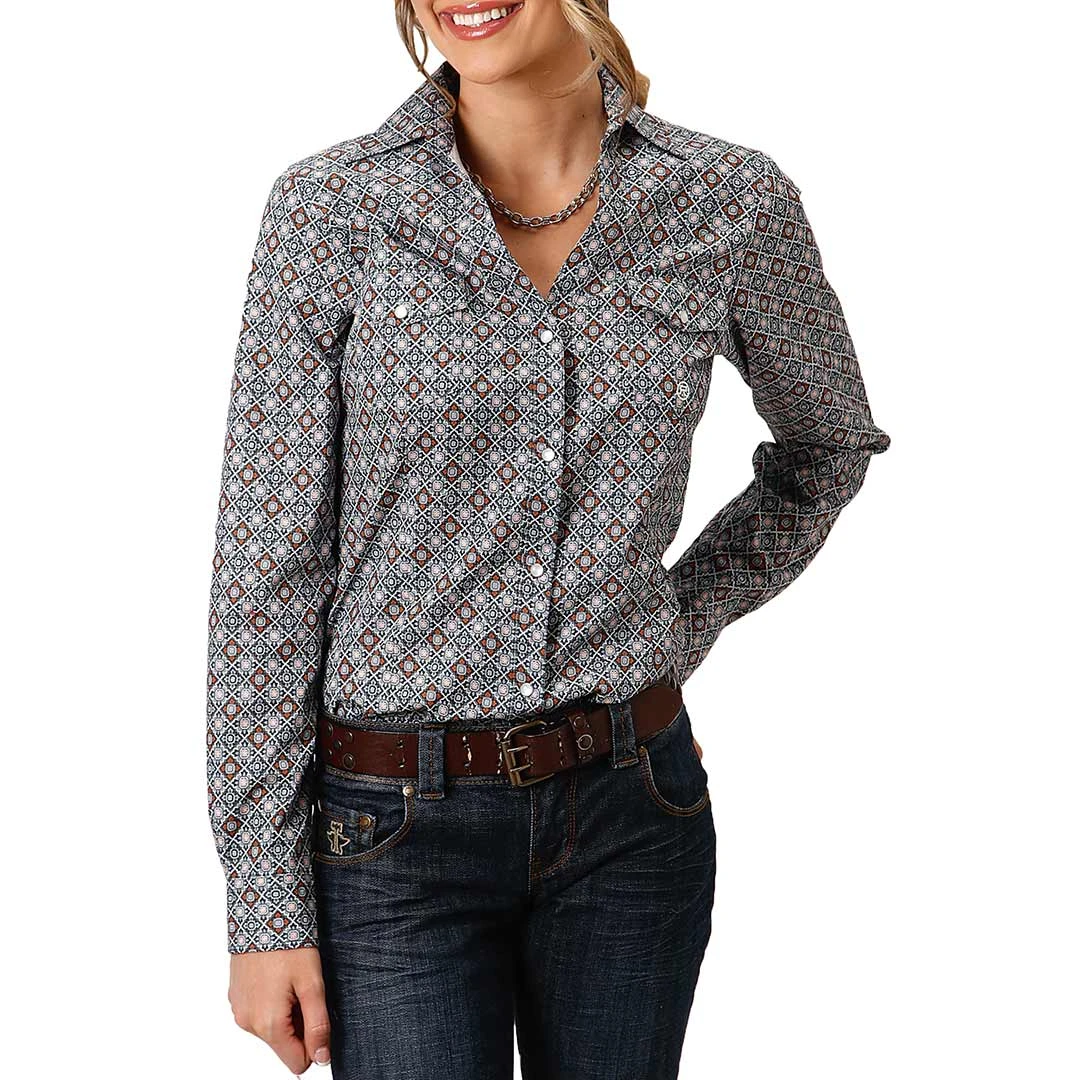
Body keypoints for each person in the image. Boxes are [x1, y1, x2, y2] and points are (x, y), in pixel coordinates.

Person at [205, 1, 891, 1076]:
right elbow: (267, 567)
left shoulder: (726, 200)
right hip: (391, 840)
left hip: (633, 820)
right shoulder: (331, 210)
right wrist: (263, 904)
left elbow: (829, 445)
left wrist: (672, 622)